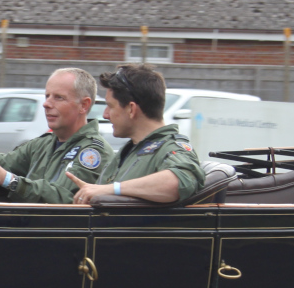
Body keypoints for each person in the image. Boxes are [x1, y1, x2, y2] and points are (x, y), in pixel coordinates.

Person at [67, 64, 205, 205]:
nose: (105, 114)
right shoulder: (131, 150)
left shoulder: (170, 148)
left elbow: (181, 180)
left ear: (131, 109)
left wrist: (112, 189)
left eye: (111, 106)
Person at [0, 68, 113, 204]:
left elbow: (64, 198)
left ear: (84, 105)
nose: (46, 104)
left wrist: (10, 181)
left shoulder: (92, 152)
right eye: (47, 96)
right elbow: (0, 165)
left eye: (59, 97)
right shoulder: (42, 144)